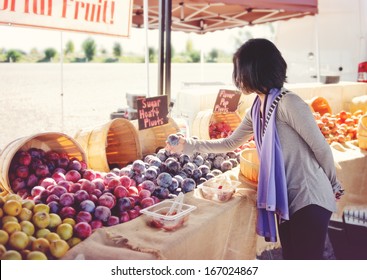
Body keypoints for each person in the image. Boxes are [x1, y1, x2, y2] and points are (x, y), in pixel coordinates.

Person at [165, 38, 344, 260]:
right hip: (288, 199)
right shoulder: (257, 108)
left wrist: (335, 185)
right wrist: (189, 145)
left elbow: (322, 149)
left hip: (310, 198)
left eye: (240, 71)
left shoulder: (290, 104)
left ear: (256, 70)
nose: (237, 78)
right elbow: (230, 143)